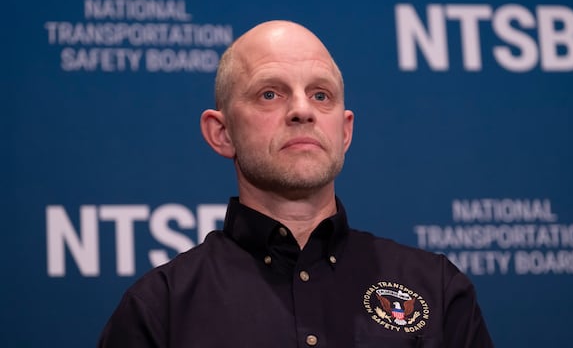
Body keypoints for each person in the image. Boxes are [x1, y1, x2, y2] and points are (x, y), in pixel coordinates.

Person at [97, 20, 494, 347]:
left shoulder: (437, 289)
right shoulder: (159, 309)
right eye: (270, 94)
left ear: (344, 131)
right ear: (221, 133)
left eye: (321, 95)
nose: (302, 110)